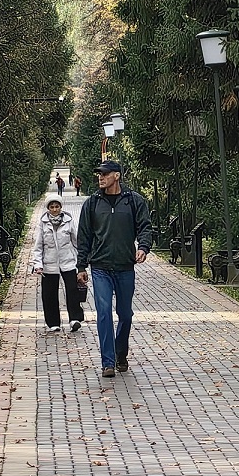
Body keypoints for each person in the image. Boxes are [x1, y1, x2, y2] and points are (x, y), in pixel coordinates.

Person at [76, 160, 152, 378]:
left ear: (117, 176)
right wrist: (81, 266)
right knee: (103, 312)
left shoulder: (134, 201)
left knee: (125, 314)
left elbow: (145, 227)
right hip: (100, 267)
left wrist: (143, 247)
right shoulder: (92, 203)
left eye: (105, 174)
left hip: (125, 267)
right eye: (99, 174)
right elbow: (84, 237)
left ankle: (120, 353)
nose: (101, 177)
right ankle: (107, 362)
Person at [31, 198, 84, 333]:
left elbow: (76, 242)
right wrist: (38, 264)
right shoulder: (43, 223)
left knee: (72, 290)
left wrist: (81, 262)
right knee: (49, 294)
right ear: (48, 208)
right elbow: (38, 246)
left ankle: (75, 319)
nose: (55, 210)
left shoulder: (68, 221)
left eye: (57, 207)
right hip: (49, 263)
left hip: (68, 261)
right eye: (52, 207)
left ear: (61, 207)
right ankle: (53, 323)